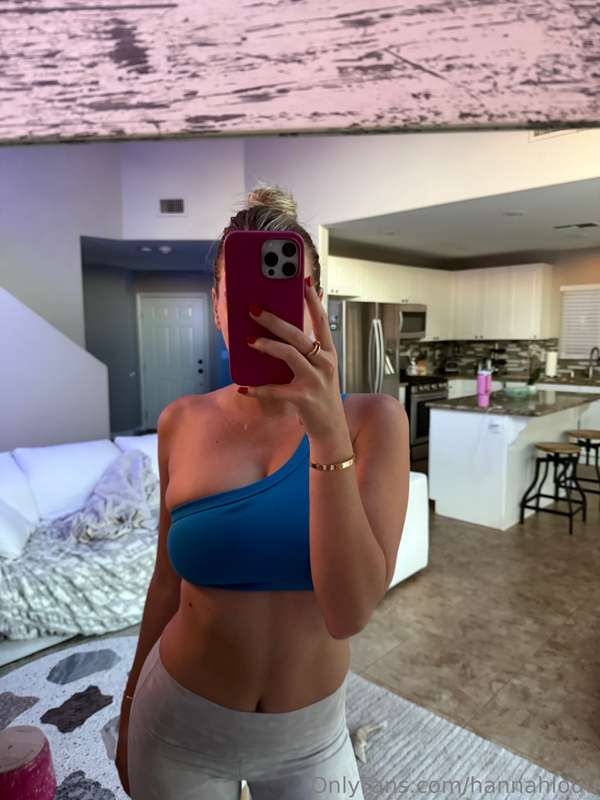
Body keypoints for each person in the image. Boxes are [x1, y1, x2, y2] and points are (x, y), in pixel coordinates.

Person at [117, 183, 410, 799]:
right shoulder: (180, 421)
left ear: (317, 302)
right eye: (239, 292)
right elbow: (166, 582)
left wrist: (327, 434)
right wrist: (127, 708)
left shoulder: (374, 421)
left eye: (286, 288)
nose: (259, 312)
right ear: (216, 306)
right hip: (176, 726)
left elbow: (349, 612)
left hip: (312, 738)